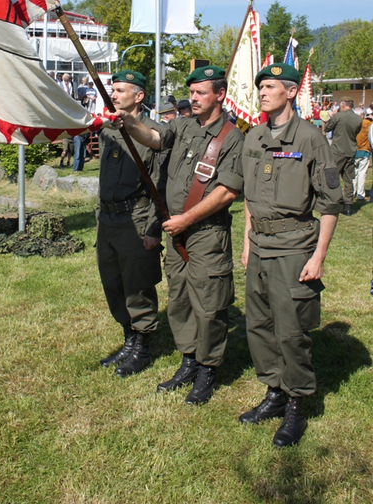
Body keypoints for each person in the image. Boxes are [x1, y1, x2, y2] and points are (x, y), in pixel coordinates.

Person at [114, 66, 244, 404]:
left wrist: (185, 219)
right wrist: (129, 123)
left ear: (220, 94)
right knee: (181, 300)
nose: (193, 98)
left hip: (206, 234)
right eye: (192, 93)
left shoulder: (232, 137)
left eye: (201, 93)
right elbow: (155, 139)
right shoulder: (184, 125)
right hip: (177, 233)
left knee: (209, 305)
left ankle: (208, 369)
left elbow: (227, 191)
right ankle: (189, 360)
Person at [240, 63, 344, 448]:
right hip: (261, 245)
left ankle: (298, 402)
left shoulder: (311, 138)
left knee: (291, 330)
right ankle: (274, 391)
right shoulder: (254, 137)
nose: (262, 92)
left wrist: (318, 258)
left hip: (295, 247)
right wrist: (248, 243)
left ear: (288, 91)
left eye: (269, 87)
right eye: (261, 87)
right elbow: (250, 196)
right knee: (260, 326)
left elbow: (331, 204)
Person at [97, 70, 168, 377]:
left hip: (137, 218)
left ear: (138, 96)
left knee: (138, 285)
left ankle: (142, 345)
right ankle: (128, 338)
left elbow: (160, 185)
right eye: (112, 89)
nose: (113, 94)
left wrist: (153, 228)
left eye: (120, 90)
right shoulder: (108, 130)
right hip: (109, 218)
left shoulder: (154, 132)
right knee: (113, 283)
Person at [324, 97, 363, 215]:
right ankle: (348, 205)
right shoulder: (358, 118)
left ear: (344, 106)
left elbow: (327, 128)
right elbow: (356, 132)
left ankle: (333, 202)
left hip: (338, 151)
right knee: (348, 178)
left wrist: (332, 116)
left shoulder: (338, 116)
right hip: (351, 151)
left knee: (332, 177)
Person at [354, 108, 373, 201]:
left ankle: (352, 191)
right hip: (364, 151)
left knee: (353, 173)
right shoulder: (368, 123)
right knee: (362, 174)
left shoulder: (352, 124)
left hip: (354, 151)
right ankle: (360, 193)